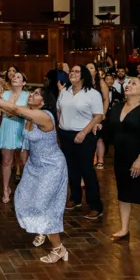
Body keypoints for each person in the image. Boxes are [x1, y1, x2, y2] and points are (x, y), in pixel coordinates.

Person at [0, 86, 69, 264]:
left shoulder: (45, 116)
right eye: (32, 92)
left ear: (44, 102)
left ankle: (59, 248)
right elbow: (8, 109)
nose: (31, 95)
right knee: (23, 197)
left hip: (51, 166)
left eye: (37, 94)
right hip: (34, 165)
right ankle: (41, 230)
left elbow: (14, 108)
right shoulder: (29, 114)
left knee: (44, 207)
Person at [102, 77, 140, 247]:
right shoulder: (117, 107)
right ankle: (124, 229)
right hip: (121, 157)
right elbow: (109, 129)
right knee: (123, 194)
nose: (128, 85)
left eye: (133, 83)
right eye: (128, 83)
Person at [56, 64, 105, 220]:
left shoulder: (92, 94)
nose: (73, 73)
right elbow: (59, 110)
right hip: (65, 134)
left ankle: (95, 205)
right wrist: (61, 127)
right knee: (71, 168)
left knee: (86, 170)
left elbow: (98, 115)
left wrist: (84, 132)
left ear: (83, 75)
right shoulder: (64, 92)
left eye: (77, 71)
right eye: (71, 71)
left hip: (84, 135)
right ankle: (75, 198)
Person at [0, 69, 29, 203]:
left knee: (24, 161)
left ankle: (26, 189)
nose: (14, 77)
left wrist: (13, 111)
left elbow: (25, 112)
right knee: (6, 162)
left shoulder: (27, 95)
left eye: (18, 77)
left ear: (23, 83)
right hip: (7, 129)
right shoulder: (5, 94)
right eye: (13, 76)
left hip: (21, 129)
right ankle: (6, 189)